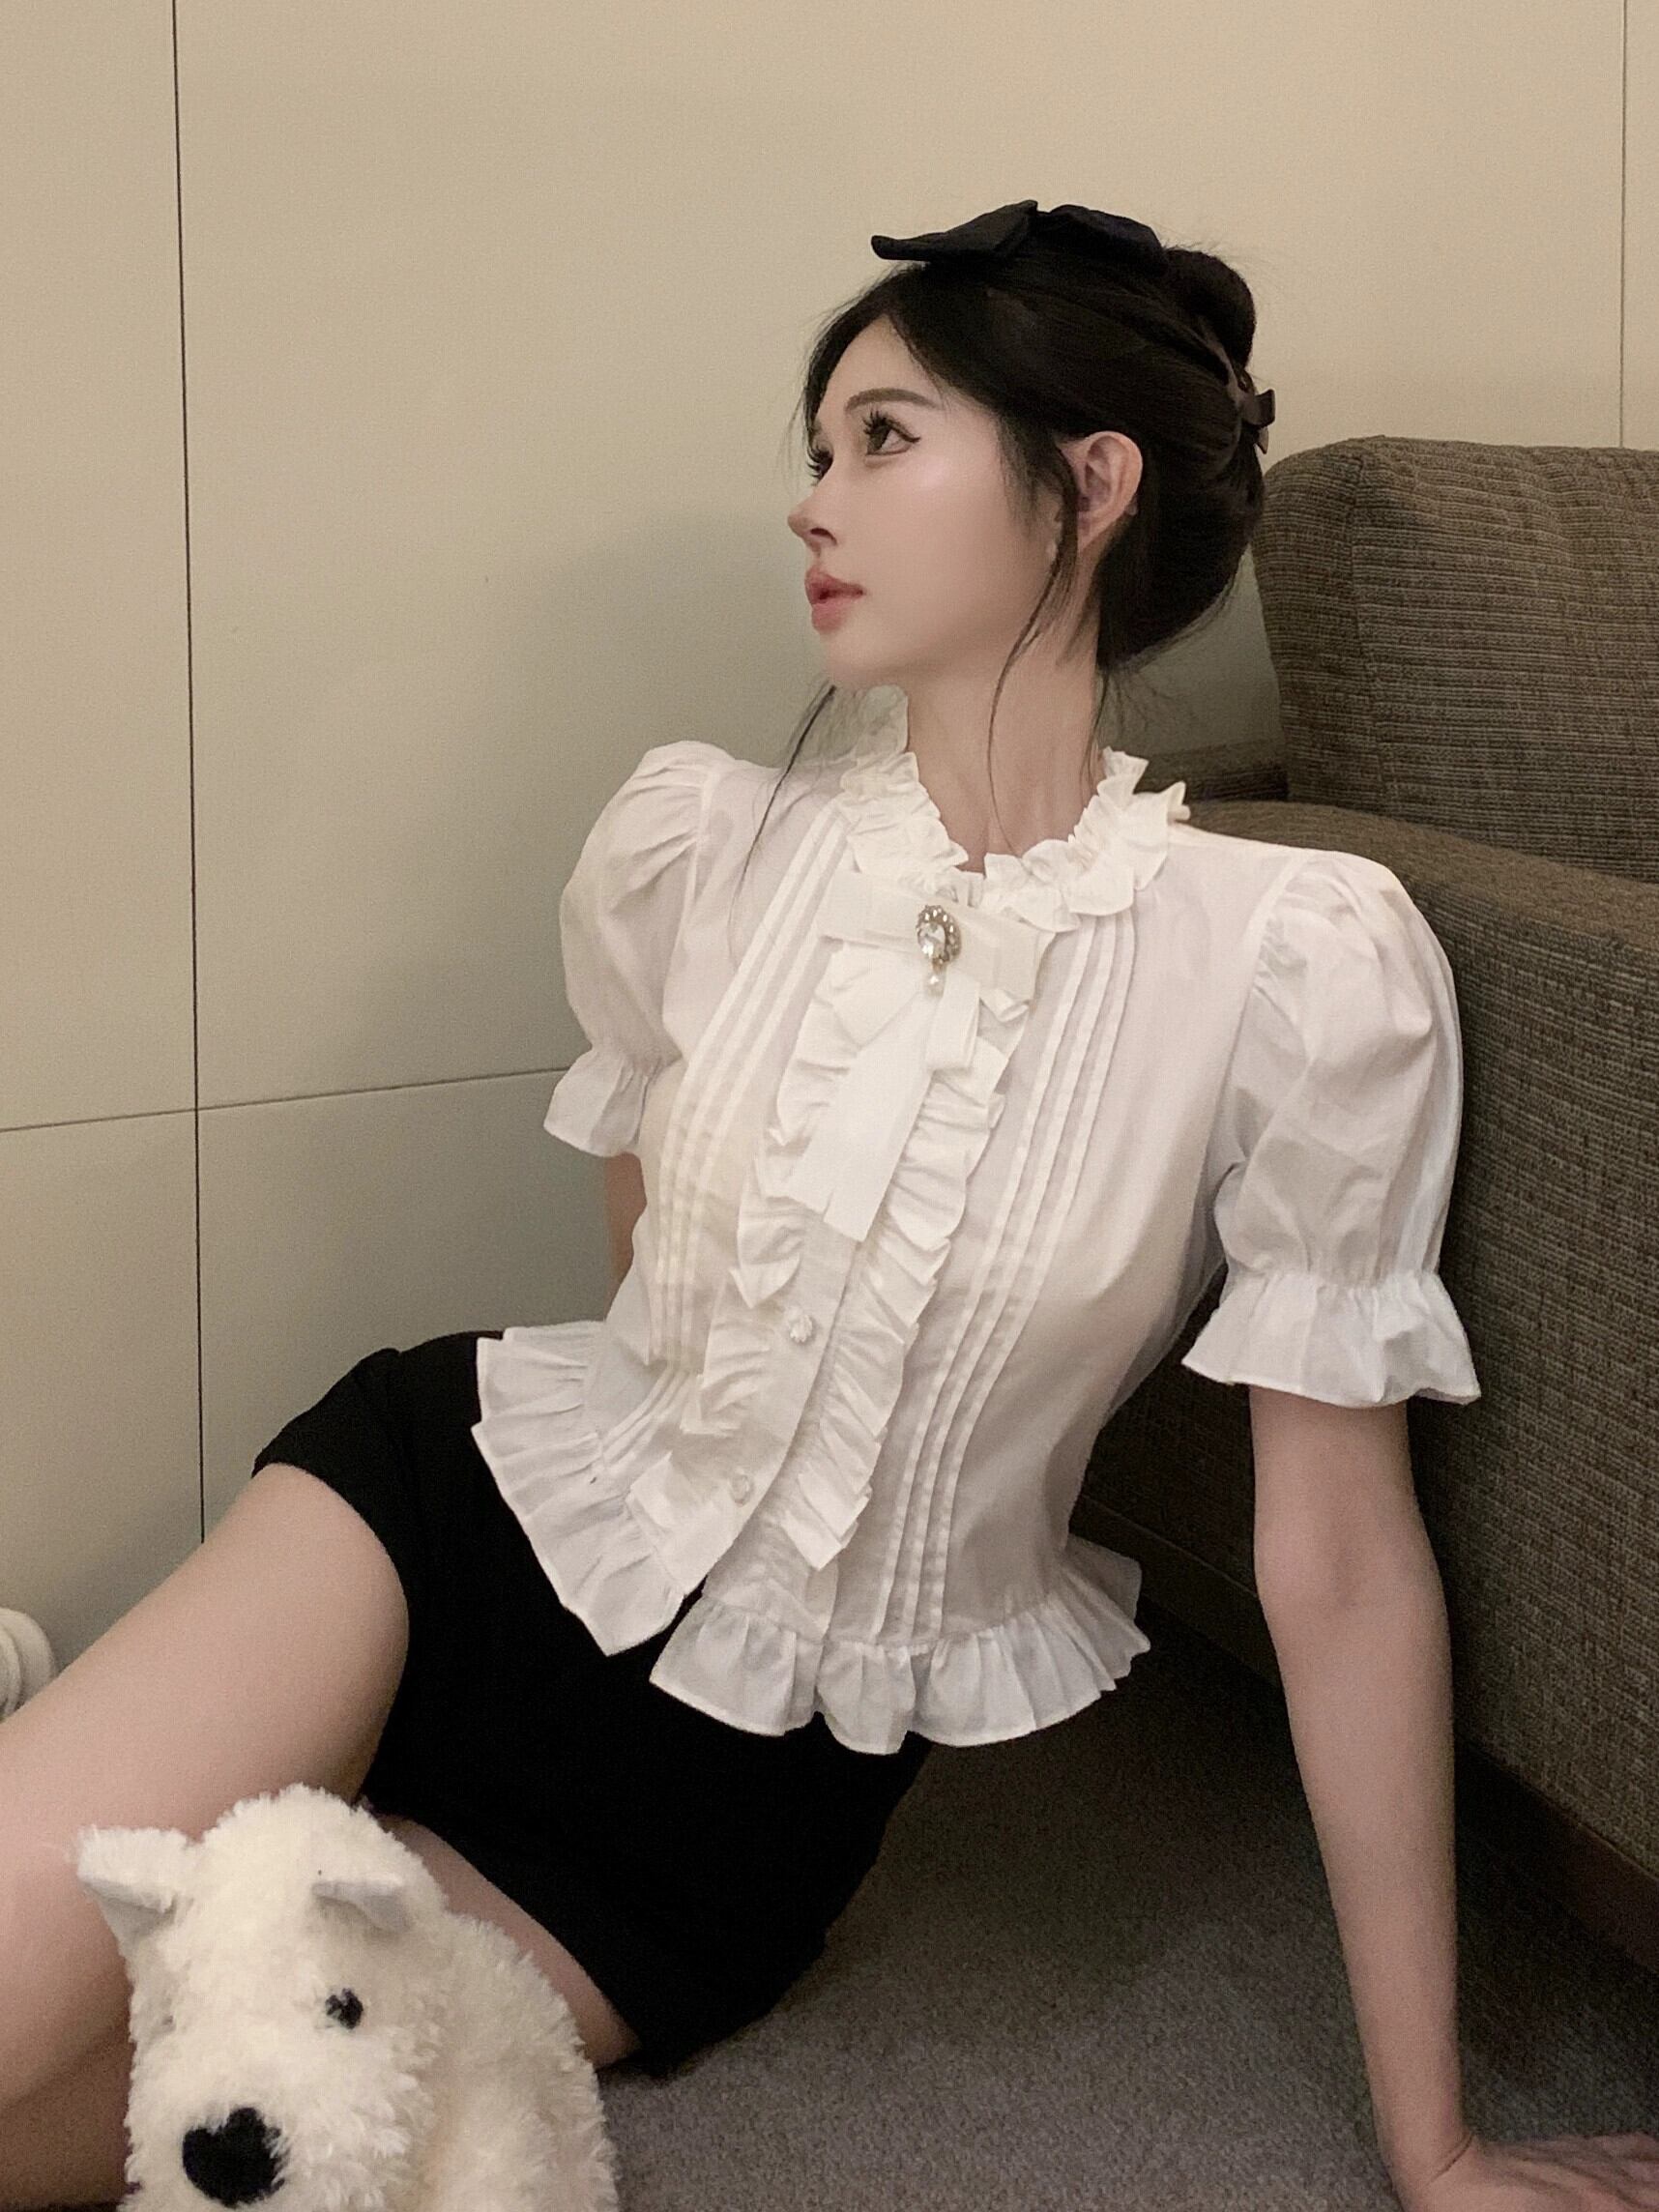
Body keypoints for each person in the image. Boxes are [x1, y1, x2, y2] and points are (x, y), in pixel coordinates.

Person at [1, 200, 1652, 2212]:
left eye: (883, 438)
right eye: (818, 447)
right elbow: (648, 1300)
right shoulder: (700, 846)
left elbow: (1340, 1562)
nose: (814, 499)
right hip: (447, 1537)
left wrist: (1438, 2140)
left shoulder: (1297, 959)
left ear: (1090, 486)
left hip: (735, 1809)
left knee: (131, 2135)